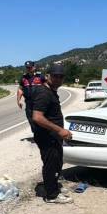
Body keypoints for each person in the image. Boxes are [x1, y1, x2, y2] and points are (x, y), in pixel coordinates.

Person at [31, 64, 74, 204]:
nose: (58, 79)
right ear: (47, 76)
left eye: (61, 77)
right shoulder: (44, 93)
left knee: (55, 163)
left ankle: (53, 186)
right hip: (47, 136)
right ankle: (52, 195)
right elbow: (37, 117)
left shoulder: (50, 91)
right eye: (55, 76)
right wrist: (59, 130)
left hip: (52, 135)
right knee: (51, 164)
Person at [17, 61, 43, 133]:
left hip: (39, 101)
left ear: (34, 67)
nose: (28, 69)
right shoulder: (23, 78)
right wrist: (18, 100)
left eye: (30, 67)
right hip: (29, 102)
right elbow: (20, 89)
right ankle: (36, 133)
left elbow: (48, 86)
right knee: (30, 118)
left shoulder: (40, 76)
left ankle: (42, 132)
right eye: (27, 67)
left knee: (40, 117)